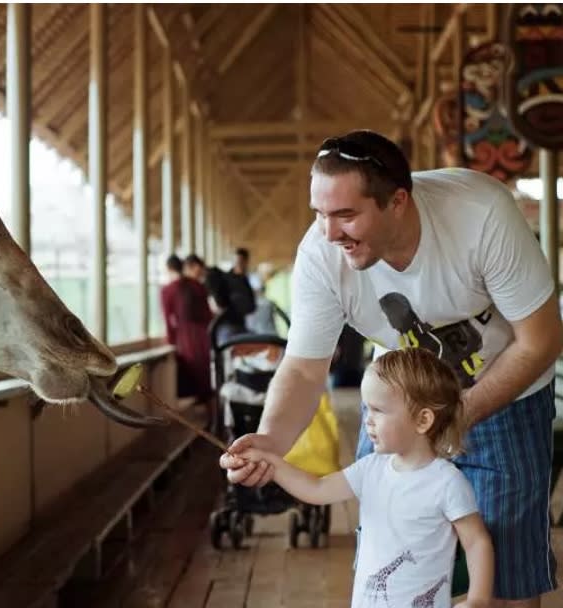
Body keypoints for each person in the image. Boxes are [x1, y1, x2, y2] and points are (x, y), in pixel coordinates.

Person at [219, 129, 562, 607]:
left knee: (506, 563)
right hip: (398, 403)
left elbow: (541, 341)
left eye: (346, 215)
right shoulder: (321, 254)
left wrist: (459, 415)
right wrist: (270, 443)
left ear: (398, 201)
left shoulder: (481, 214)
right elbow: (302, 369)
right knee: (390, 547)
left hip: (508, 388)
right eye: (319, 214)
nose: (329, 233)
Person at [227, 348, 494, 608]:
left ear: (423, 421)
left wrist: (478, 599)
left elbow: (476, 541)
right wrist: (271, 462)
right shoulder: (370, 469)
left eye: (378, 410)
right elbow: (317, 489)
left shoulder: (447, 483)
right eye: (366, 409)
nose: (368, 420)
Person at [160, 254, 213, 405]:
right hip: (204, 337)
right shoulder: (198, 286)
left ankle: (205, 418)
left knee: (195, 378)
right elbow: (208, 314)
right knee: (207, 379)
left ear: (169, 269)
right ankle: (212, 418)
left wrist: (171, 340)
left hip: (185, 340)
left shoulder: (167, 290)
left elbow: (167, 319)